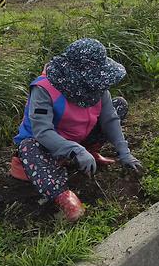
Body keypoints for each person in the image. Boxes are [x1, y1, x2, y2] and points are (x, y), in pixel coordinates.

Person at [11, 39, 143, 222]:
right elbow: (42, 131)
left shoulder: (97, 87)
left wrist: (124, 152)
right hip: (47, 149)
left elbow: (109, 118)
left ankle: (90, 153)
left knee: (119, 105)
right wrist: (75, 150)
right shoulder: (44, 89)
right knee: (28, 146)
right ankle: (63, 196)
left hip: (80, 139)